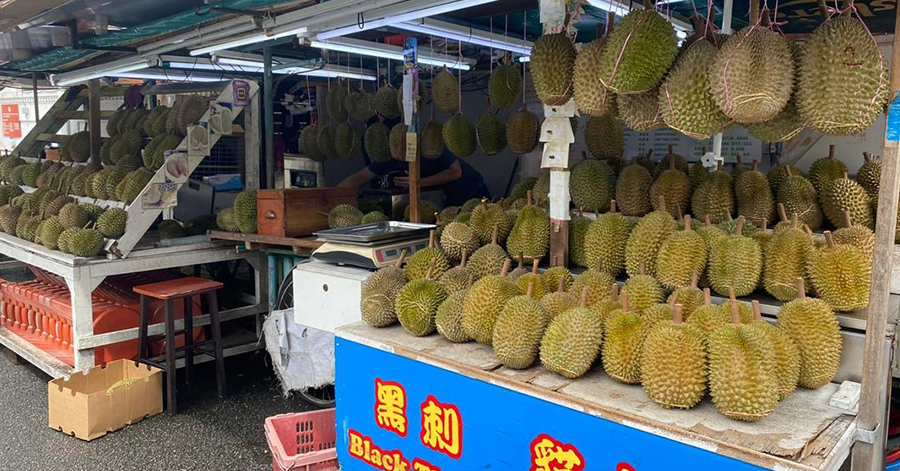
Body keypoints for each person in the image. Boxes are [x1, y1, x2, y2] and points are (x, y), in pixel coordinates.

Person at [337, 119, 490, 206]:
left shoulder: (428, 144)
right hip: (441, 199)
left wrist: (418, 182)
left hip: (469, 189)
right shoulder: (390, 157)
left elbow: (456, 172)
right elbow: (359, 178)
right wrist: (332, 196)